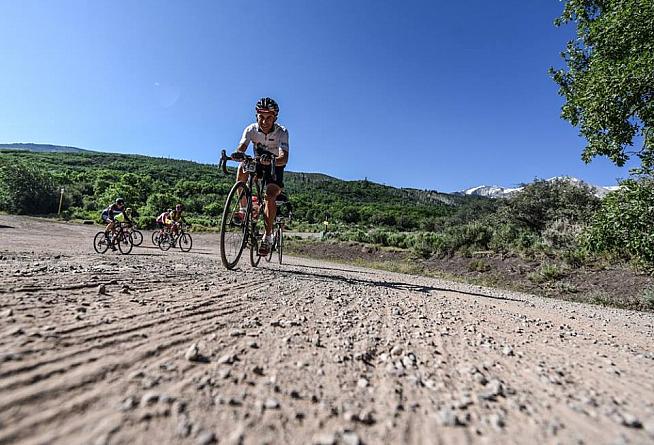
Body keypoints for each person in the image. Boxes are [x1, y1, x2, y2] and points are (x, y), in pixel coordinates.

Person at [231, 97, 289, 256]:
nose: (264, 121)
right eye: (261, 117)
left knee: (270, 196)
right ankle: (244, 209)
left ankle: (267, 237)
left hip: (275, 165)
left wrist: (272, 160)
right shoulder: (251, 129)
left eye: (269, 117)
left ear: (275, 117)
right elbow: (242, 147)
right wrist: (239, 154)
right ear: (256, 116)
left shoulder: (282, 132)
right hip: (257, 162)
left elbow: (284, 158)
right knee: (242, 167)